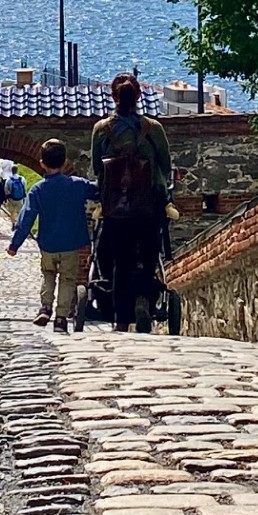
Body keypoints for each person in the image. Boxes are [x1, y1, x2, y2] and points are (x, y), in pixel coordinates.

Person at [91, 73, 172, 331]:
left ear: (114, 98)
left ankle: (121, 319)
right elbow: (166, 164)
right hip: (149, 206)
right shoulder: (153, 129)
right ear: (139, 96)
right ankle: (145, 301)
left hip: (116, 208)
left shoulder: (102, 130)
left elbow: (96, 167)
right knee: (149, 257)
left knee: (120, 261)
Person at [9, 138, 97, 333]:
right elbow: (98, 191)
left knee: (48, 275)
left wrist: (15, 244)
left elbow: (26, 218)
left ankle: (45, 306)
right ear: (66, 161)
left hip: (48, 244)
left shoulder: (38, 190)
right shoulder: (78, 185)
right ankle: (61, 318)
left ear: (42, 163)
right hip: (71, 244)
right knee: (67, 280)